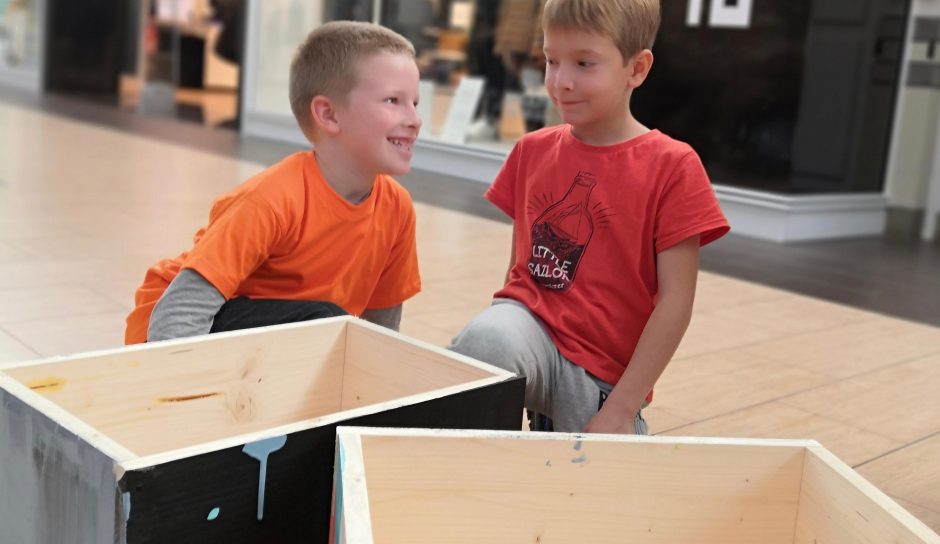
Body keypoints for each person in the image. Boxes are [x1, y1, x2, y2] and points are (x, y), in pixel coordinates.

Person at [448, 0, 729, 434]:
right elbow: (519, 273)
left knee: (591, 488)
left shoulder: (673, 165)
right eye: (551, 60)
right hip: (531, 334)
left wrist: (619, 408)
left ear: (636, 69)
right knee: (485, 341)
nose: (562, 82)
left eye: (584, 63)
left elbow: (677, 302)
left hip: (601, 373)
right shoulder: (532, 150)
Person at [125, 21, 422, 344]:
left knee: (337, 331)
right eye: (393, 100)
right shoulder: (271, 199)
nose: (414, 119)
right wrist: (178, 387)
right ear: (329, 115)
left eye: (415, 103)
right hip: (174, 329)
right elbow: (181, 309)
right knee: (327, 324)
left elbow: (378, 332)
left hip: (282, 335)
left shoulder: (397, 209)